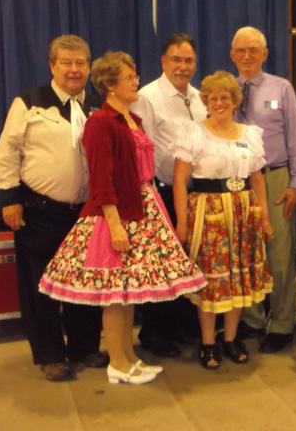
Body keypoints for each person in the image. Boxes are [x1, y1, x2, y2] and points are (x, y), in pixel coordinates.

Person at [38, 51, 207, 385]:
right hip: (117, 213)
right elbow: (101, 179)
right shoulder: (101, 122)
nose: (136, 82)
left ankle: (129, 356)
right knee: (115, 294)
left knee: (130, 292)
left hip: (143, 207)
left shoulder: (134, 119)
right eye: (129, 78)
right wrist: (115, 226)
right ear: (111, 85)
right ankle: (117, 362)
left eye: (135, 76)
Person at [0, 35, 106, 382]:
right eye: (66, 62)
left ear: (88, 67)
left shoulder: (97, 107)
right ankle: (50, 354)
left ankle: (84, 347)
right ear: (52, 65)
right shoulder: (30, 102)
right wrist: (10, 199)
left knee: (84, 282)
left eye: (80, 63)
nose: (74, 70)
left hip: (85, 212)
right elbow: (6, 152)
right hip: (39, 211)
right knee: (41, 286)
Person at [173, 71, 273, 370]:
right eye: (213, 98)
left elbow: (257, 179)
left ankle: (230, 338)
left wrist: (265, 217)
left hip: (244, 212)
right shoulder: (194, 133)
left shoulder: (249, 134)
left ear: (234, 101)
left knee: (237, 277)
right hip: (208, 213)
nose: (219, 103)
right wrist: (182, 223)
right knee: (211, 278)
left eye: (224, 98)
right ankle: (207, 342)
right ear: (205, 102)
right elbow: (180, 181)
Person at [230, 27, 296, 353]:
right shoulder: (225, 89)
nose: (247, 56)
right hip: (237, 181)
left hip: (275, 177)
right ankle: (251, 319)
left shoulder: (281, 88)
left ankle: (281, 323)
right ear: (232, 54)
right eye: (241, 50)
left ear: (264, 54)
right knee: (244, 253)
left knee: (279, 255)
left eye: (254, 50)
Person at [130, 33, 207, 357]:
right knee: (161, 265)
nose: (183, 66)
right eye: (176, 59)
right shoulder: (147, 97)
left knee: (189, 262)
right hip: (162, 192)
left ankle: (182, 326)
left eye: (189, 60)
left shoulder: (201, 97)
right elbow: (140, 146)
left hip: (196, 194)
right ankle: (155, 333)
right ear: (163, 61)